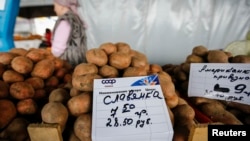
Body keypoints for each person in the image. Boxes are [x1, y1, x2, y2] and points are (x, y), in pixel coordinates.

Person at [51, 0, 87, 67]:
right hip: (80, 61)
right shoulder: (76, 18)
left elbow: (58, 49)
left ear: (62, 6)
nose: (54, 9)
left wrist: (52, 56)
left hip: (68, 64)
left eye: (55, 6)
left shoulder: (65, 21)